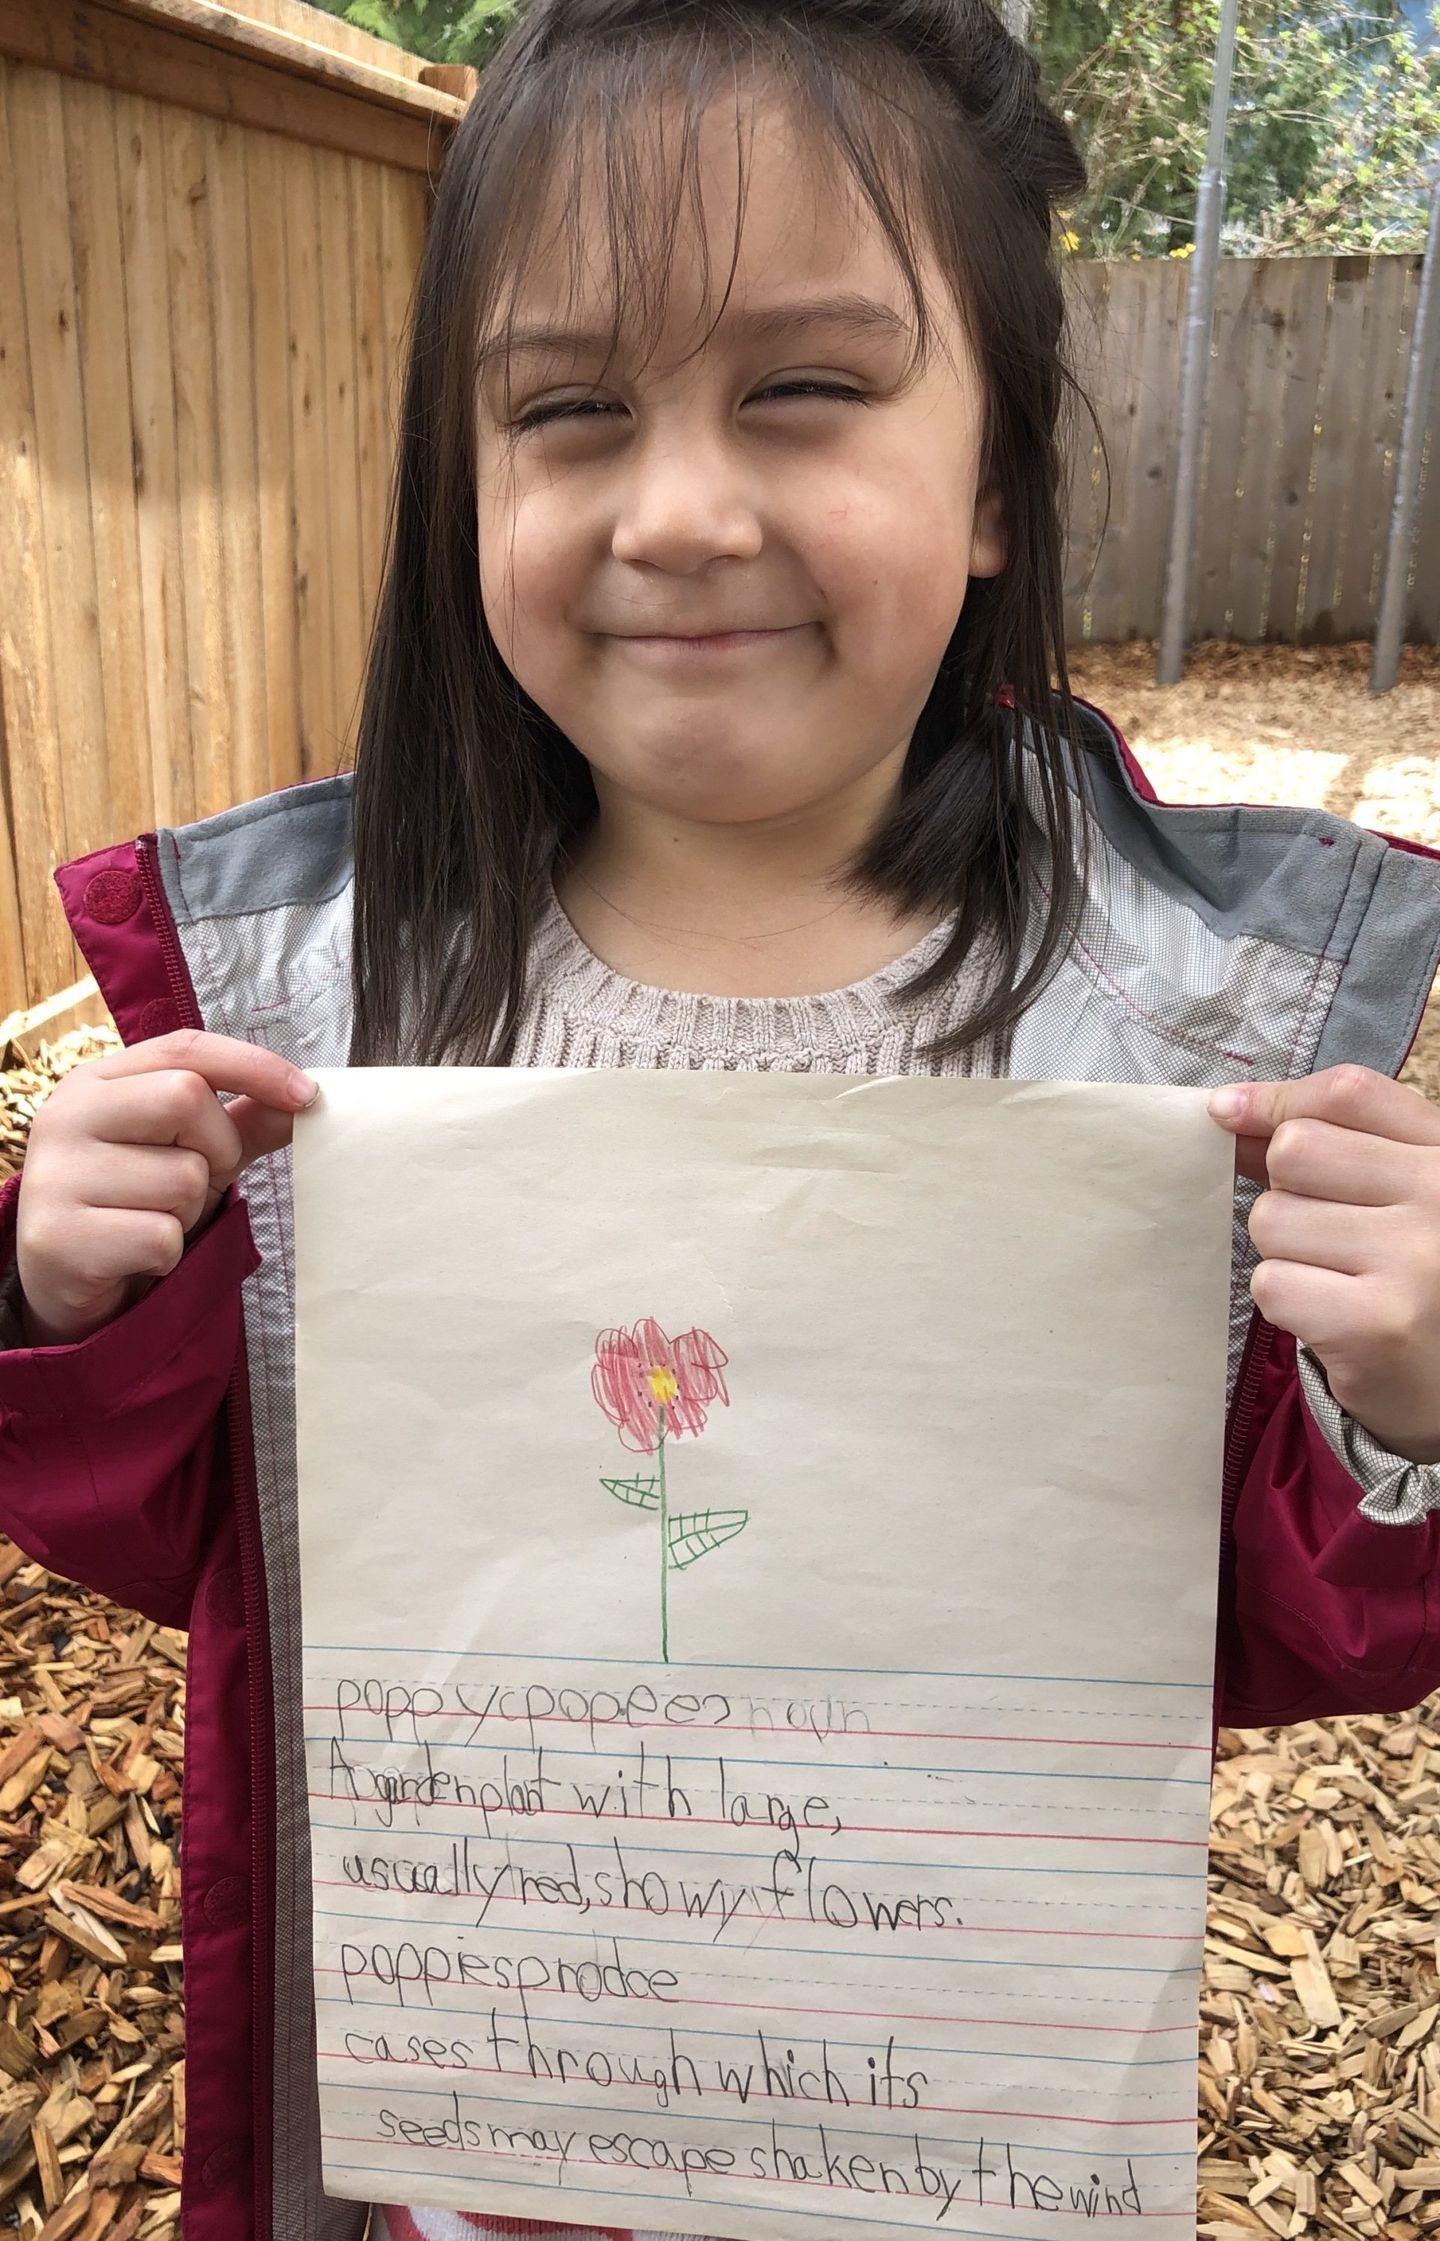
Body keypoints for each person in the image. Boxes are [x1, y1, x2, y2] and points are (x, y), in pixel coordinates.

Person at [1, 0, 1438, 2236]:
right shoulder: (324, 1010)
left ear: (991, 483)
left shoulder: (1168, 1041)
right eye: (569, 409)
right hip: (468, 2144)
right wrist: (76, 1295)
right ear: (461, 482)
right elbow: (226, 1545)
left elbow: (1254, 1627)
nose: (679, 508)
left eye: (805, 387)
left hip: (937, 2120)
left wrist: (1401, 1402)